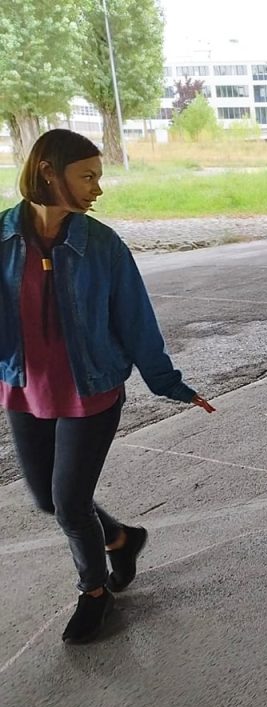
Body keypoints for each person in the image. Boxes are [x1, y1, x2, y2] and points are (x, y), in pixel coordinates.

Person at [0, 129, 215, 645]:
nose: (98, 188)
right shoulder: (4, 238)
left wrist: (170, 384)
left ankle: (94, 593)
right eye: (88, 176)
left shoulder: (102, 246)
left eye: (98, 176)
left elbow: (136, 321)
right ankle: (121, 538)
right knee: (49, 500)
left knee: (70, 502)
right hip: (25, 389)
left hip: (91, 391)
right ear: (50, 173)